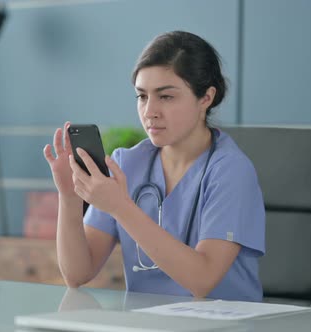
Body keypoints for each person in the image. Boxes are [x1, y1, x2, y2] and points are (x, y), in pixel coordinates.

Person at [43, 31, 265, 301]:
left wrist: (121, 207)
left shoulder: (231, 171)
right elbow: (77, 274)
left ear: (206, 98)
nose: (150, 111)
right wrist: (69, 197)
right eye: (142, 96)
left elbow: (203, 280)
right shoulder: (127, 163)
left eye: (166, 97)